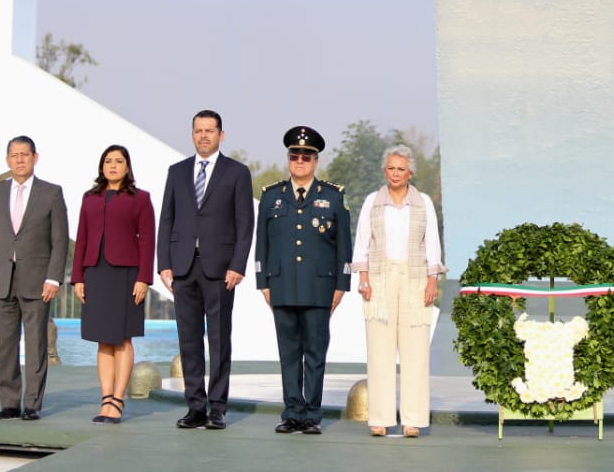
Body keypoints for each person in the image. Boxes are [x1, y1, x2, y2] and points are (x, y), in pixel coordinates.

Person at [157, 109, 254, 430]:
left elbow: (245, 223)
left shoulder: (237, 173)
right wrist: (164, 263)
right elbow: (166, 219)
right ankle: (195, 407)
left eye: (209, 130)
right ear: (192, 134)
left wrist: (238, 265)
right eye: (198, 130)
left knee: (219, 339)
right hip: (183, 267)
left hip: (220, 269)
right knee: (188, 340)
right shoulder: (177, 172)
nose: (203, 136)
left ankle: (218, 408)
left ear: (221, 135)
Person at [255, 126, 351, 435]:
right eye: (294, 156)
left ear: (315, 161)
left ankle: (311, 414)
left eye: (306, 157)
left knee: (315, 353)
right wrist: (262, 281)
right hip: (281, 285)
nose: (299, 162)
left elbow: (344, 246)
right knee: (288, 354)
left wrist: (342, 285)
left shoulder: (333, 197)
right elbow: (262, 243)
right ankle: (292, 413)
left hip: (319, 287)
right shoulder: (271, 196)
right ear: (288, 159)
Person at [353, 144, 445, 438]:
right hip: (379, 279)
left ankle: (412, 420)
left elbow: (432, 243)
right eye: (391, 168)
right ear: (385, 171)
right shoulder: (372, 201)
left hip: (415, 279)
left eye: (401, 169)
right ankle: (380, 419)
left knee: (415, 351)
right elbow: (362, 241)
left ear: (410, 172)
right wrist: (363, 279)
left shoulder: (423, 203)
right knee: (379, 350)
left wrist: (432, 281)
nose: (395, 173)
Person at [0, 136, 69, 421]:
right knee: (5, 345)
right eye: (14, 155)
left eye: (24, 155)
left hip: (38, 282)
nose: (19, 160)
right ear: (7, 160)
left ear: (34, 158)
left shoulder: (51, 193)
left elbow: (60, 240)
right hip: (0, 280)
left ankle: (32, 405)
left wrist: (53, 278)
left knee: (36, 344)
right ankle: (10, 404)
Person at [71, 145, 155, 423]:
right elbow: (82, 238)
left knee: (122, 338)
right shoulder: (89, 198)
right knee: (103, 339)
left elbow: (148, 241)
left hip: (126, 275)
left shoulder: (140, 198)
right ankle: (105, 399)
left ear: (127, 167)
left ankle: (118, 400)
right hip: (95, 272)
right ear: (101, 166)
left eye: (119, 161)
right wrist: (78, 277)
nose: (113, 165)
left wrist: (144, 278)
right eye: (108, 161)